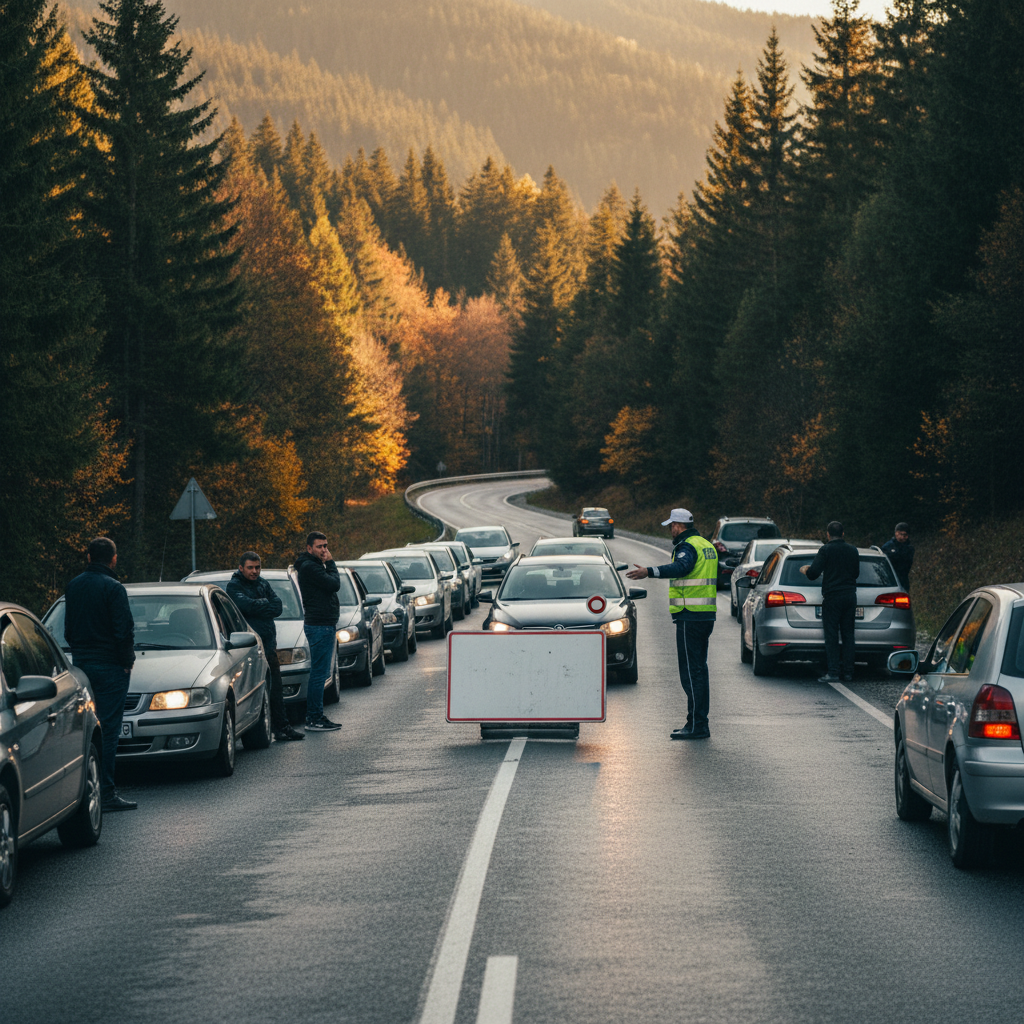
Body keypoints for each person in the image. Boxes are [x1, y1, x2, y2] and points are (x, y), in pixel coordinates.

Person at [627, 508, 718, 740]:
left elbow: (682, 568)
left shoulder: (687, 546)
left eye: (671, 526)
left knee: (691, 673)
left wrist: (649, 571)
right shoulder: (705, 544)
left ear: (679, 525)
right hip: (705, 614)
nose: (671, 530)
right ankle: (696, 722)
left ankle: (698, 725)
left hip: (690, 614)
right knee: (699, 670)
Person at [64, 537, 137, 812]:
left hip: (81, 664)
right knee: (108, 728)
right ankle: (105, 791)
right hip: (110, 666)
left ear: (88, 557)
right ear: (113, 559)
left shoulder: (74, 585)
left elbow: (69, 628)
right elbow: (123, 630)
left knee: (86, 729)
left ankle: (84, 789)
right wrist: (127, 661)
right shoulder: (113, 588)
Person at [226, 551, 305, 742]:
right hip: (248, 649)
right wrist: (262, 604)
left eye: (257, 567)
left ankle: (282, 728)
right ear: (241, 568)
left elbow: (277, 606)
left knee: (276, 688)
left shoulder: (263, 583)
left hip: (269, 646)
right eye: (250, 568)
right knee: (254, 690)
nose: (254, 571)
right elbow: (245, 606)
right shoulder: (234, 586)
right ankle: (258, 730)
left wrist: (258, 605)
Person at [294, 532, 342, 731]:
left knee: (320, 673)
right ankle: (314, 718)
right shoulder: (309, 567)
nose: (324, 550)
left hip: (323, 624)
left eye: (326, 545)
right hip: (319, 625)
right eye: (320, 546)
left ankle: (316, 715)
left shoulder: (312, 566)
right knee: (319, 674)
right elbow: (334, 584)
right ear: (309, 548)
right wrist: (331, 563)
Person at [801, 521, 860, 683]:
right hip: (849, 596)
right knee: (848, 635)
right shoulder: (852, 550)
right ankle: (848, 672)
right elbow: (856, 573)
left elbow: (813, 573)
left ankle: (833, 672)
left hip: (832, 597)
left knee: (832, 635)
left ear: (828, 534)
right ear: (843, 533)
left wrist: (806, 570)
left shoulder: (825, 550)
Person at [881, 522, 914, 592]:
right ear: (896, 533)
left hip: (903, 579)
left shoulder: (909, 548)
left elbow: (908, 564)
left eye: (906, 535)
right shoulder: (887, 547)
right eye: (902, 535)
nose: (904, 537)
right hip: (889, 579)